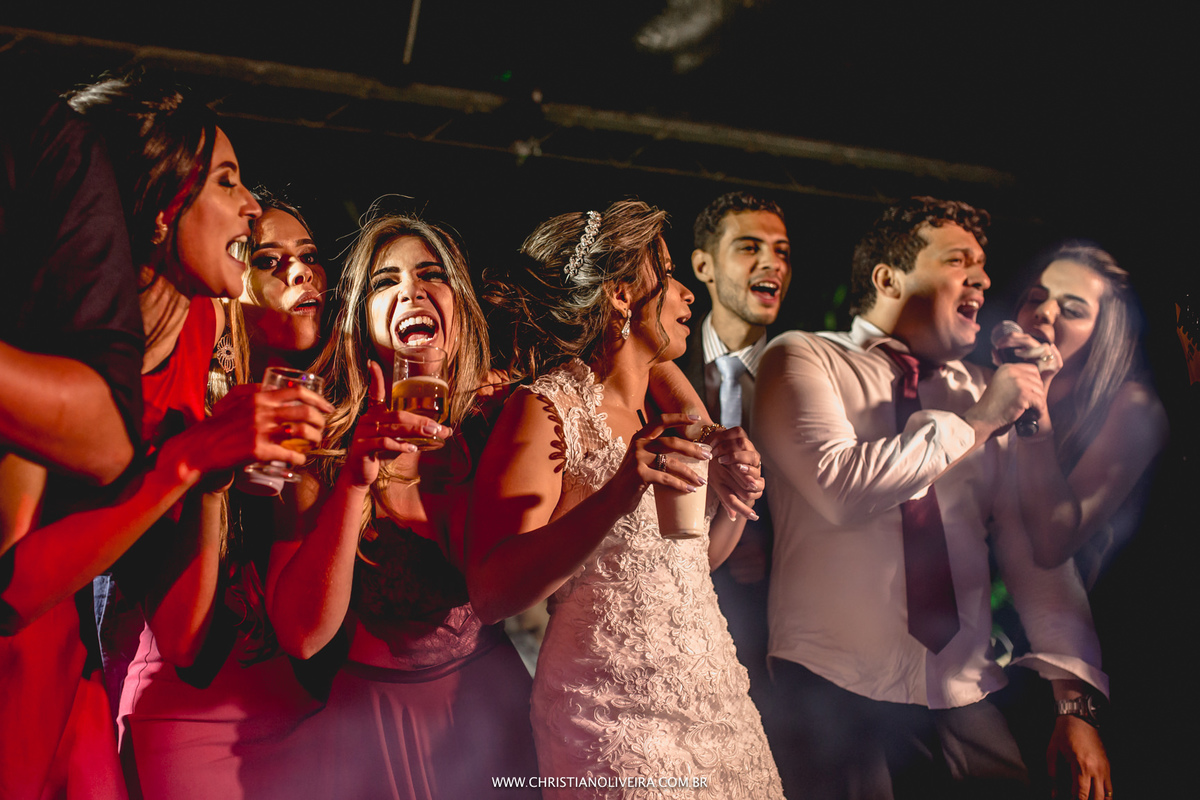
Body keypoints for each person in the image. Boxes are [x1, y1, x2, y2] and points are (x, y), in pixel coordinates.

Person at [0, 75, 330, 800]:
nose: (253, 206)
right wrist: (189, 459)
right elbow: (12, 587)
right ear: (157, 212)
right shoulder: (43, 329)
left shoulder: (200, 328)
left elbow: (182, 636)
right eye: (227, 181)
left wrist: (216, 471)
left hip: (68, 674)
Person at [754, 197, 1110, 800]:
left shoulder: (979, 388)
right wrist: (976, 423)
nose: (984, 277)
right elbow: (841, 488)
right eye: (957, 260)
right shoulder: (801, 356)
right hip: (831, 690)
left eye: (983, 264)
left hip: (964, 694)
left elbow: (1033, 553)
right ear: (888, 278)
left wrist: (1074, 702)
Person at [470, 200, 783, 799]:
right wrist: (617, 493)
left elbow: (687, 569)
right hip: (611, 718)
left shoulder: (655, 416)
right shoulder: (546, 411)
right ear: (620, 295)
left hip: (715, 700)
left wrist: (735, 502)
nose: (688, 294)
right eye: (667, 275)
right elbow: (490, 592)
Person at [266, 209, 540, 800]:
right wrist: (356, 482)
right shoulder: (319, 442)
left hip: (495, 707)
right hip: (375, 727)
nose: (410, 289)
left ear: (460, 307)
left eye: (430, 274)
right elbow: (302, 636)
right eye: (384, 282)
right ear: (360, 321)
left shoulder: (503, 417)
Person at [115, 192, 333, 800]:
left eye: (310, 256)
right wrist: (216, 475)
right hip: (193, 724)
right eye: (268, 261)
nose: (301, 272)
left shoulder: (340, 411)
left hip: (313, 718)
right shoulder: (185, 415)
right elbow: (189, 645)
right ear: (230, 281)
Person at [998, 244, 1167, 588]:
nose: (1044, 312)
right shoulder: (998, 384)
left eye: (1072, 310)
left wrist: (1034, 408)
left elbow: (1052, 544)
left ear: (1105, 335)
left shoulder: (1135, 407)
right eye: (1034, 298)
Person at [678, 190, 790, 702]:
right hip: (673, 609)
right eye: (749, 247)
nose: (772, 261)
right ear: (703, 264)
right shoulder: (662, 366)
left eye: (782, 251)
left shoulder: (803, 373)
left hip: (780, 623)